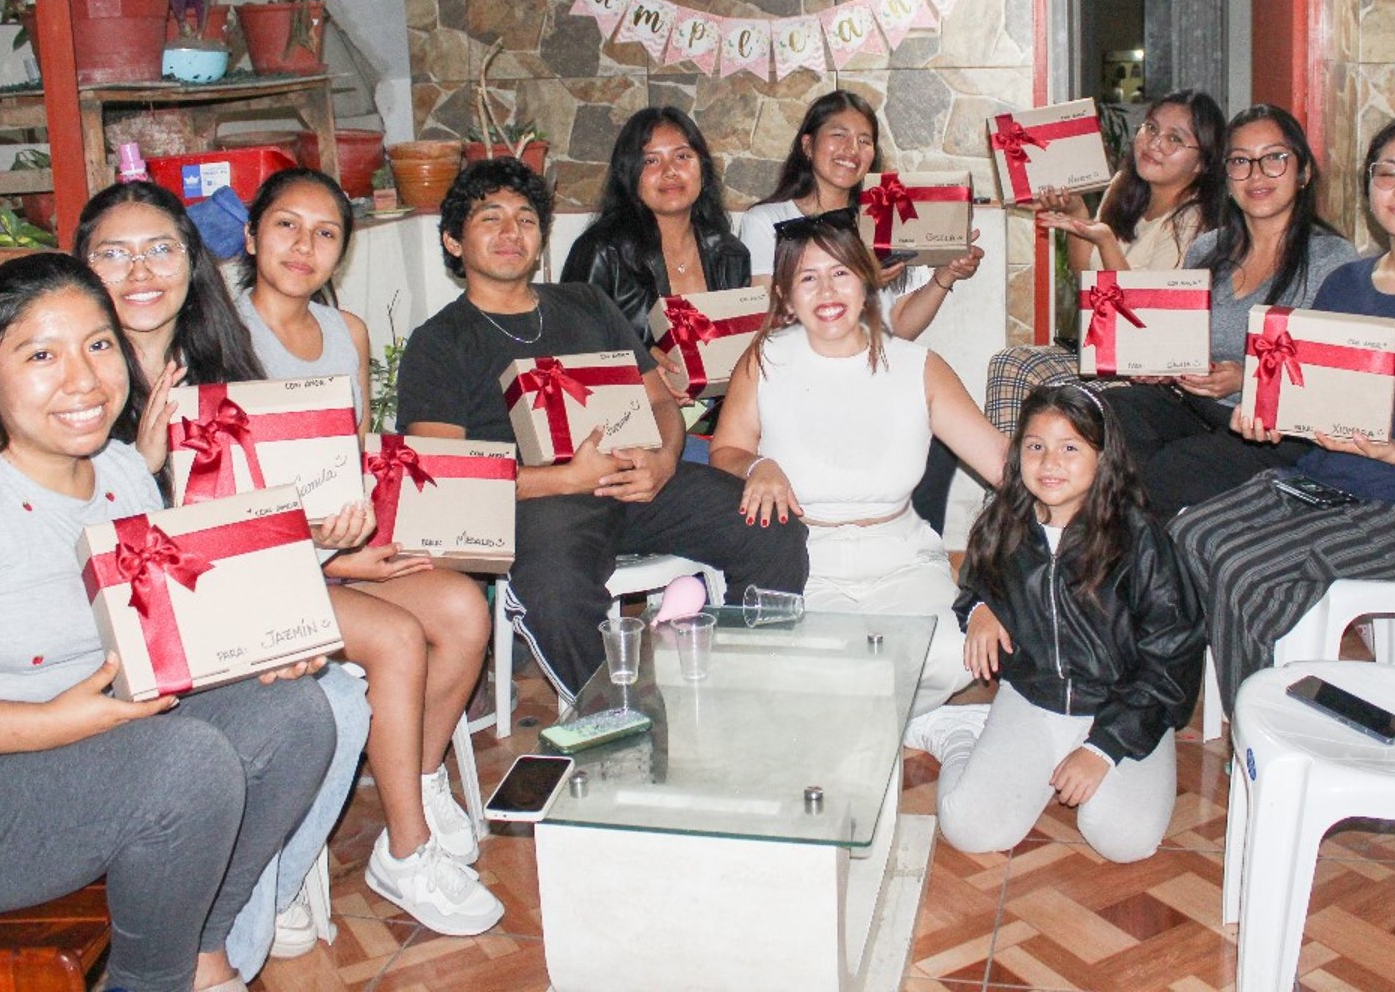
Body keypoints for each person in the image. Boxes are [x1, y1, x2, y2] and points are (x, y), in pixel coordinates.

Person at [0, 253, 335, 992]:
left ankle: (202, 951)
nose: (83, 378)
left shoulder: (124, 470)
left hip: (73, 751)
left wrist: (264, 647)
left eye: (99, 344)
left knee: (294, 713)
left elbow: (159, 636)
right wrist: (65, 723)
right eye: (41, 354)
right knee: (184, 765)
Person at [74, 180, 372, 972]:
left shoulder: (217, 362)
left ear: (192, 261)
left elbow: (240, 524)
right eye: (114, 252)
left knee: (338, 695)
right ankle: (216, 956)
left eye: (161, 248)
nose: (140, 270)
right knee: (313, 702)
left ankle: (239, 918)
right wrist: (140, 463)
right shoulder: (71, 377)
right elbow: (86, 550)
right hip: (113, 637)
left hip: (210, 609)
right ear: (81, 266)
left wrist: (312, 531)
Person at [396, 157, 809, 701]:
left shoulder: (585, 303)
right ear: (453, 241)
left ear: (540, 238)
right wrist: (565, 478)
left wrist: (662, 461)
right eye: (489, 218)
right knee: (557, 595)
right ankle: (628, 724)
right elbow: (443, 480)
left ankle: (752, 686)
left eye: (524, 218)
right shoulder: (440, 342)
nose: (510, 232)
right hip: (537, 506)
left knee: (771, 526)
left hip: (637, 481)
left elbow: (660, 402)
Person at [1173, 115, 1395, 715]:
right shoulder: (1347, 282)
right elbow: (1311, 398)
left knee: (1246, 570)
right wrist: (1265, 413)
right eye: (1388, 174)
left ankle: (1262, 735)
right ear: (1370, 184)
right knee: (1190, 532)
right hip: (1322, 482)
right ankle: (1283, 701)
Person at [234, 167, 499, 936]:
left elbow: (343, 465)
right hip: (255, 567)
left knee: (458, 603)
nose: (303, 246)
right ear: (252, 236)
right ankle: (407, 850)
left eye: (325, 233)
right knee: (393, 635)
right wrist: (345, 562)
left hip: (331, 555)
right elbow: (217, 488)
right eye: (286, 225)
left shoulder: (344, 333)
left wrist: (379, 534)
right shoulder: (218, 330)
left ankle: (412, 780)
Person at [708, 214, 1007, 719]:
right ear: (784, 295)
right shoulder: (763, 361)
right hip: (805, 560)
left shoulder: (918, 366)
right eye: (808, 277)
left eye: (841, 272)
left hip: (901, 559)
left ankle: (877, 720)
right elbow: (725, 451)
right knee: (798, 667)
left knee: (958, 653)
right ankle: (911, 722)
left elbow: (1001, 462)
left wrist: (1069, 475)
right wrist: (758, 464)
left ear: (866, 281)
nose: (827, 290)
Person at [906, 383, 1203, 861]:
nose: (1050, 463)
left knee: (1125, 840)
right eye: (1035, 446)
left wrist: (1104, 748)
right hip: (1035, 697)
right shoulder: (1004, 524)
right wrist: (978, 610)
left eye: (1070, 448)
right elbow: (977, 584)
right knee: (971, 829)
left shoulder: (1141, 541)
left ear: (1103, 457)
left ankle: (1104, 753)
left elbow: (1173, 659)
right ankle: (961, 734)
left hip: (1124, 708)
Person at [735, 90, 985, 533]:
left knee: (940, 440)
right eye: (839, 135)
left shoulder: (881, 221)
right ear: (808, 145)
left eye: (865, 140)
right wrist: (856, 274)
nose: (852, 150)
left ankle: (909, 540)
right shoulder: (767, 221)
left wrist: (945, 276)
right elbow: (762, 320)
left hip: (873, 371)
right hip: (802, 375)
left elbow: (899, 326)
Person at [1105, 103, 1361, 515]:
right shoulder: (1209, 248)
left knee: (1166, 474)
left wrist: (1247, 378)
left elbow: (1336, 381)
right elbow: (1183, 340)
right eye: (1241, 161)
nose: (1256, 174)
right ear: (1226, 177)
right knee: (1098, 420)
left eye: (1274, 158)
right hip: (1194, 408)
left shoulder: (1333, 260)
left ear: (1304, 173)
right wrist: (1164, 363)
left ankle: (1141, 569)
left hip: (1274, 433)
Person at [983, 89, 1227, 431]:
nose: (1155, 143)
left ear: (1202, 162)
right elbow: (1086, 277)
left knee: (1053, 393)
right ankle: (1009, 482)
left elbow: (1141, 321)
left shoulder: (1193, 219)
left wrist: (1106, 240)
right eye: (1151, 129)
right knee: (1010, 363)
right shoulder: (1124, 186)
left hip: (1150, 375)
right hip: (1104, 353)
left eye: (1175, 139)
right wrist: (1076, 212)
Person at [560, 108, 751, 471]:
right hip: (632, 430)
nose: (670, 172)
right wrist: (641, 369)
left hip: (719, 423)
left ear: (702, 168)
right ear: (629, 173)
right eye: (651, 160)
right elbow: (567, 357)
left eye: (683, 156)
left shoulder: (730, 254)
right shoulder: (601, 251)